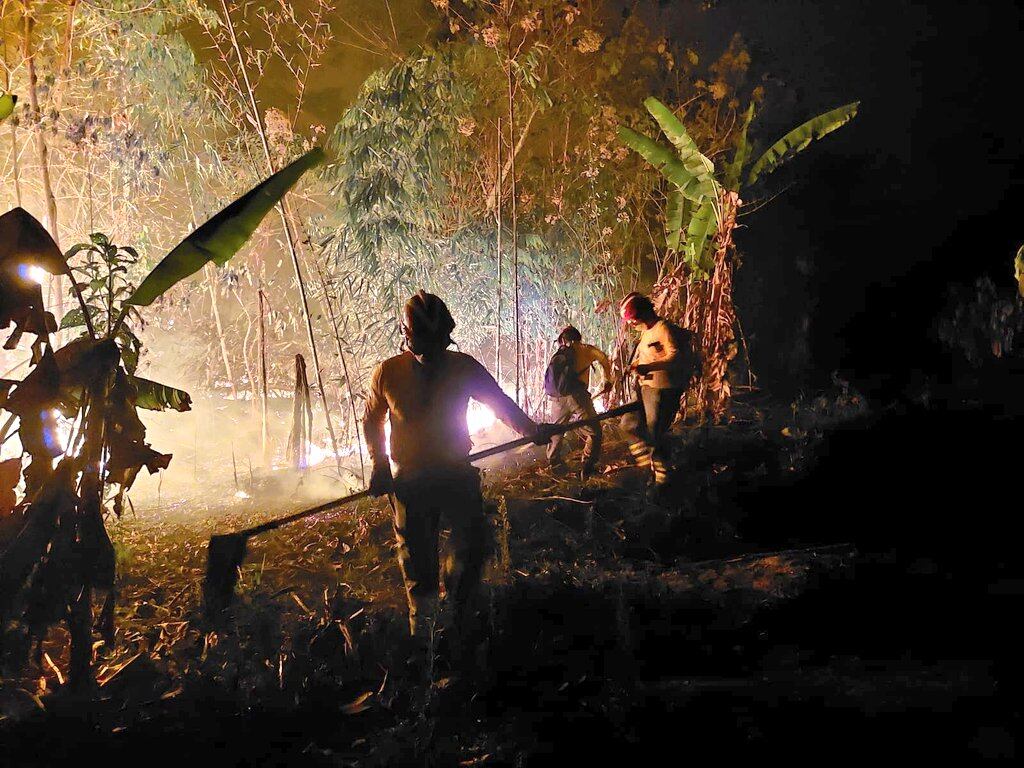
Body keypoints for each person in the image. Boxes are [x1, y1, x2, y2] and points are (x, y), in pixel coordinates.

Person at [363, 290, 552, 642]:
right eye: (421, 340)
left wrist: (530, 430)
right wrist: (379, 464)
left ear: (446, 336)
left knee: (472, 546)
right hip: (410, 482)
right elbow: (373, 421)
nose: (429, 351)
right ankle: (426, 638)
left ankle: (459, 614)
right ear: (406, 336)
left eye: (435, 342)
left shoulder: (464, 368)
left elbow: (500, 404)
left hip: (455, 473)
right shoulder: (388, 373)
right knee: (418, 561)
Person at [619, 292, 697, 490]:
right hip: (645, 387)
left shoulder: (663, 329)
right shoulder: (647, 332)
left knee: (655, 435)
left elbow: (675, 357)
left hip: (662, 390)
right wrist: (637, 364)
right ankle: (647, 467)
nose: (632, 324)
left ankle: (662, 481)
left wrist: (649, 368)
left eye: (632, 320)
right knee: (628, 424)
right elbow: (650, 355)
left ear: (641, 315)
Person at [543, 325, 613, 479]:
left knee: (556, 433)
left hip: (556, 400)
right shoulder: (585, 349)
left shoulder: (559, 354)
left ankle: (555, 467)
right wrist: (607, 379)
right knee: (594, 431)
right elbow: (603, 358)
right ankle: (587, 467)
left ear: (563, 339)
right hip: (578, 397)